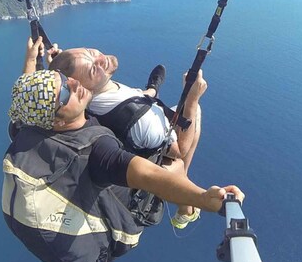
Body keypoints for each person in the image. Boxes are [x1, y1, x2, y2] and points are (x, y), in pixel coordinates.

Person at [3, 68, 243, 262]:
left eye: (65, 78)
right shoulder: (96, 150)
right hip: (110, 232)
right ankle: (186, 211)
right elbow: (146, 175)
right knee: (175, 164)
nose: (75, 84)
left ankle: (150, 92)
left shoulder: (27, 127)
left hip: (58, 205)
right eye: (65, 93)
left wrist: (32, 56)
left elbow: (31, 92)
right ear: (57, 122)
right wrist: (203, 198)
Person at [25, 37, 205, 227]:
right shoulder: (143, 122)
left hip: (126, 126)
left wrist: (47, 64)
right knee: (192, 122)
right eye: (93, 69)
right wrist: (192, 97)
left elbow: (46, 96)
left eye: (90, 51)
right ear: (81, 88)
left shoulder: (76, 101)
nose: (100, 58)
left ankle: (150, 92)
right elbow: (181, 149)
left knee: (145, 96)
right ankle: (186, 204)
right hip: (145, 168)